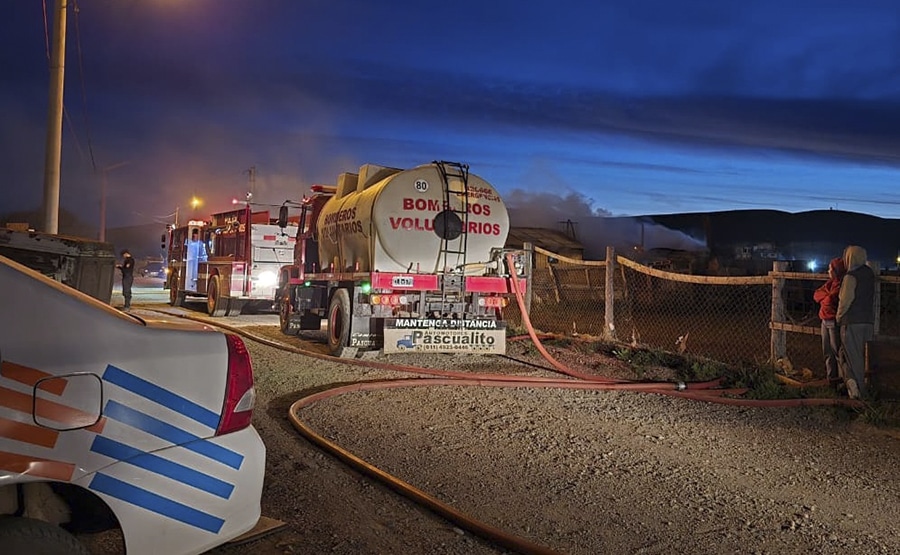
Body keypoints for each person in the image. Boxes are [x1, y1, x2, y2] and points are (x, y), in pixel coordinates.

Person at [835, 245, 875, 399]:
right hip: (868, 320)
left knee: (851, 356)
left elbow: (845, 300)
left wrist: (839, 317)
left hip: (852, 321)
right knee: (866, 356)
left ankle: (857, 391)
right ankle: (864, 386)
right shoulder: (869, 273)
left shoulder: (850, 277)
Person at [813, 257, 845, 386]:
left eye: (830, 269)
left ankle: (844, 382)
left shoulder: (841, 284)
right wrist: (826, 297)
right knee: (827, 352)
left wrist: (826, 297)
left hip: (833, 320)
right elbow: (816, 295)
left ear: (836, 271)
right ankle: (831, 380)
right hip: (825, 320)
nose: (828, 271)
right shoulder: (830, 283)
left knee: (837, 351)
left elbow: (830, 300)